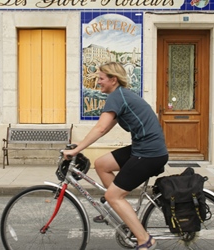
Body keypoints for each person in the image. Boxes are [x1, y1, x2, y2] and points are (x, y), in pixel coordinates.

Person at [63, 62, 168, 250]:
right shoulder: (121, 97)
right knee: (101, 164)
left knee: (113, 195)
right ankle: (118, 209)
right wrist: (79, 145)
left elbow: (101, 127)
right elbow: (104, 129)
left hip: (149, 153)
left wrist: (75, 151)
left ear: (113, 79)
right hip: (144, 148)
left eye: (101, 79)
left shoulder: (116, 97)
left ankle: (145, 240)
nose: (98, 83)